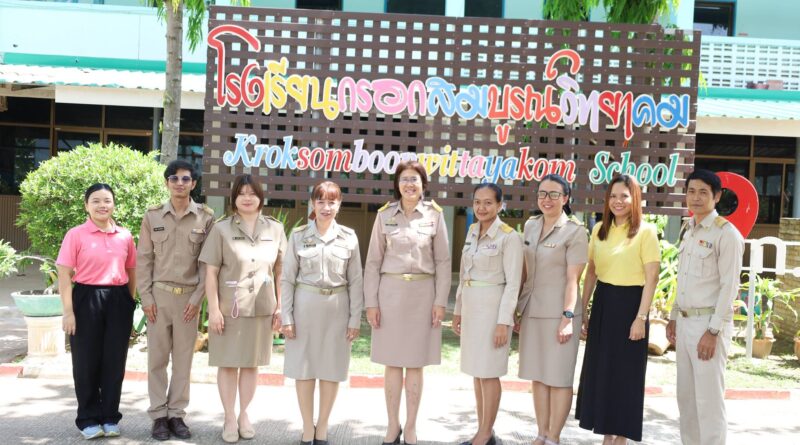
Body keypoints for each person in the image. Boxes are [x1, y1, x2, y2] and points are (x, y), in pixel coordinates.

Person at [364, 160, 451, 445]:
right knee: (391, 363)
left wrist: (440, 301)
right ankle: (393, 425)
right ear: (397, 184)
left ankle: (411, 427)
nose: (409, 184)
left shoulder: (435, 215)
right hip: (390, 295)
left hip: (423, 297)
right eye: (404, 179)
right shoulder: (384, 215)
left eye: (414, 179)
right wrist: (371, 302)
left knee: (415, 364)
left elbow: (443, 261)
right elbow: (373, 261)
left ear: (423, 184)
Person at [198, 174, 287, 443]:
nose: (247, 198)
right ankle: (229, 417)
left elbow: (281, 272)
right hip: (230, 308)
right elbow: (210, 273)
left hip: (261, 308)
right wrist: (214, 310)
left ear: (261, 197)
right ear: (234, 198)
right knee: (227, 364)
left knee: (251, 364)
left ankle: (244, 414)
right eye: (241, 193)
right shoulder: (221, 229)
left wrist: (281, 306)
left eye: (252, 193)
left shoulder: (275, 229)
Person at [575, 174, 660, 445]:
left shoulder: (646, 232)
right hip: (603, 305)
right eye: (613, 196)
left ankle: (620, 438)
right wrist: (583, 309)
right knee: (602, 372)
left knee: (626, 377)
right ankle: (606, 435)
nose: (618, 201)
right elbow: (591, 272)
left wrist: (641, 318)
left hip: (631, 308)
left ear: (635, 198)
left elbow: (652, 278)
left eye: (624, 195)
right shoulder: (600, 229)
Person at [280, 181, 364, 445]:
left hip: (337, 310)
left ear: (339, 204)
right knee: (303, 369)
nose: (326, 207)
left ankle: (323, 426)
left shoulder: (349, 237)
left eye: (332, 202)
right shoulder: (298, 236)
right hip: (304, 309)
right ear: (312, 204)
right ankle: (307, 427)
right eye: (321, 201)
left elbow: (356, 281)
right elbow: (287, 279)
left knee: (331, 369)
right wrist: (286, 317)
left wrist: (354, 318)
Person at [137, 160, 215, 440]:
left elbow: (207, 263)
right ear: (167, 183)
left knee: (183, 361)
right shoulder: (152, 216)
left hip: (188, 301)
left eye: (185, 179)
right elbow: (144, 260)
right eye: (174, 178)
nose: (179, 183)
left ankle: (177, 415)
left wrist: (197, 298)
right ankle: (159, 415)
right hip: (158, 298)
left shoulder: (206, 217)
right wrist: (146, 298)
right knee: (157, 360)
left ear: (193, 184)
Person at [666, 169, 744, 445]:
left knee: (708, 401)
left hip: (708, 325)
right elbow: (684, 279)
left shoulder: (726, 234)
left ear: (717, 196)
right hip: (685, 322)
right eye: (691, 191)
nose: (696, 198)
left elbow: (729, 286)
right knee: (686, 399)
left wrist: (713, 332)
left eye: (703, 192)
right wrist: (673, 316)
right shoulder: (688, 229)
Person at [56, 183, 137, 440]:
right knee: (86, 361)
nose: (102, 205)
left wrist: (129, 301)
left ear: (114, 204)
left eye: (107, 200)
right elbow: (64, 274)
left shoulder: (125, 236)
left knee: (115, 361)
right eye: (96, 201)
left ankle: (110, 417)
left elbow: (132, 270)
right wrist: (68, 312)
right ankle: (88, 419)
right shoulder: (76, 235)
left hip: (118, 298)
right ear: (86, 206)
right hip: (86, 298)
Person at [516, 174, 588, 445]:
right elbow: (524, 270)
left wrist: (567, 317)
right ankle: (541, 433)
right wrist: (516, 309)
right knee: (538, 376)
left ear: (565, 198)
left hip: (560, 314)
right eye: (542, 193)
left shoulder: (575, 231)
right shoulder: (530, 225)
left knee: (558, 378)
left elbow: (573, 279)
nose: (547, 199)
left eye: (554, 194)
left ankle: (554, 437)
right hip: (532, 310)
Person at [452, 183, 523, 445]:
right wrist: (458, 310)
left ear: (500, 205)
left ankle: (485, 434)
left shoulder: (508, 237)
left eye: (488, 202)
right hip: (472, 309)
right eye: (477, 202)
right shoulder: (472, 231)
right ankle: (483, 431)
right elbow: (465, 274)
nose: (482, 207)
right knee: (477, 371)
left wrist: (504, 321)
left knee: (489, 372)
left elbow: (513, 283)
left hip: (493, 312)